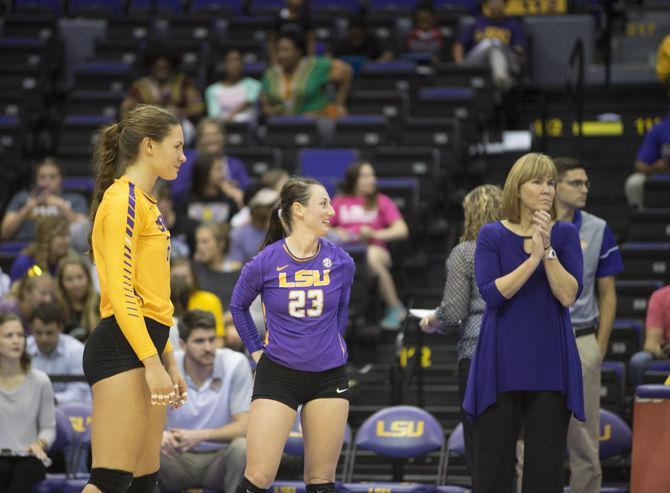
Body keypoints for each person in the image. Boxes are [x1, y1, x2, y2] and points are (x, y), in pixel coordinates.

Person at [80, 104, 188, 493]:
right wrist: (151, 361)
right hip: (121, 349)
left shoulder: (146, 203)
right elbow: (122, 292)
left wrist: (168, 357)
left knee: (144, 481)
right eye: (176, 146)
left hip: (147, 346)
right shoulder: (121, 199)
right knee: (110, 480)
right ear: (148, 146)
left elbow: (156, 297)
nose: (182, 156)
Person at [463, 153, 585, 493]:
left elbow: (568, 295)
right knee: (493, 462)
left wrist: (546, 251)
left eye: (550, 182)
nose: (546, 190)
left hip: (549, 360)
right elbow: (493, 293)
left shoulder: (564, 235)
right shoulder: (491, 236)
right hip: (500, 360)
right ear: (517, 189)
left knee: (546, 465)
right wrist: (531, 259)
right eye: (537, 182)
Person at [229, 176, 354, 493]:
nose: (331, 211)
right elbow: (238, 306)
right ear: (298, 210)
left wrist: (335, 341)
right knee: (257, 478)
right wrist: (257, 352)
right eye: (323, 203)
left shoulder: (342, 261)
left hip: (329, 375)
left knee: (322, 482)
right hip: (279, 374)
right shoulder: (264, 262)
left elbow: (341, 309)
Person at [515, 157, 624, 493]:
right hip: (534, 341)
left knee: (583, 436)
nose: (584, 189)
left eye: (586, 183)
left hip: (580, 339)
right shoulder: (519, 226)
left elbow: (607, 293)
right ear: (554, 186)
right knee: (525, 434)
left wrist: (599, 346)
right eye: (576, 183)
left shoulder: (597, 228)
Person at [419, 184, 503, 483]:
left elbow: (454, 313)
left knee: (480, 442)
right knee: (510, 441)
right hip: (514, 350)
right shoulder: (520, 247)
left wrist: (432, 321)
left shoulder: (465, 252)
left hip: (477, 352)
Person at [159, 309, 252, 493]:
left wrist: (200, 436)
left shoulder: (236, 363)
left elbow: (245, 427)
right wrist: (158, 435)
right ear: (183, 345)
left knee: (243, 447)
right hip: (175, 458)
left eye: (212, 339)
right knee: (147, 448)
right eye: (199, 341)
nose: (208, 347)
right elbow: (145, 417)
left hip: (220, 458)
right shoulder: (167, 366)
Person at [331, 161, 409, 330]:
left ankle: (395, 307)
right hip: (345, 251)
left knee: (371, 256)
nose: (372, 180)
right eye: (366, 176)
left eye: (373, 175)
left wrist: (375, 234)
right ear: (354, 179)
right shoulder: (339, 201)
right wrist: (337, 232)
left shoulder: (382, 201)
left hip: (376, 250)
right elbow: (321, 228)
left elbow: (402, 230)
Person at [0, 311, 56, 493]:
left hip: (30, 457)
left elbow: (49, 427)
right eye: (8, 336)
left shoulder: (41, 381)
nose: (16, 340)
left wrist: (39, 444)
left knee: (23, 472)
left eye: (20, 335)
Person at [121, 44, 204, 145]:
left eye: (165, 67)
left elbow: (198, 108)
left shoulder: (183, 82)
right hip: (148, 124)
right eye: (157, 68)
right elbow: (126, 109)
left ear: (171, 66)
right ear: (151, 67)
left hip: (178, 122)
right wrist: (148, 110)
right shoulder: (141, 86)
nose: (161, 71)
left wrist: (179, 111)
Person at [261, 32, 352, 118]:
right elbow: (265, 104)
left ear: (298, 51)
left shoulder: (316, 65)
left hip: (314, 124)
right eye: (278, 50)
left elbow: (347, 70)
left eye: (285, 50)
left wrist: (339, 103)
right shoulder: (270, 73)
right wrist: (272, 112)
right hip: (283, 127)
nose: (280, 55)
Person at [1, 157, 88, 243]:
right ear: (36, 180)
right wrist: (27, 208)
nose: (47, 181)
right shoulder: (22, 198)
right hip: (25, 247)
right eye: (42, 177)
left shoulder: (76, 199)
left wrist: (61, 205)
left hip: (63, 249)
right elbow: (5, 233)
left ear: (61, 179)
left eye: (52, 177)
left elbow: (84, 232)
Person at [453, 0, 526, 92]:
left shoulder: (514, 24)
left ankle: (501, 78)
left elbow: (519, 49)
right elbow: (459, 45)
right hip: (478, 61)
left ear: (505, 4)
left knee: (495, 45)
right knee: (490, 43)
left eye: (498, 2)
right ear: (488, 4)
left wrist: (519, 54)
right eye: (492, 2)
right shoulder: (478, 22)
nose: (495, 5)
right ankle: (501, 80)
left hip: (506, 60)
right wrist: (460, 65)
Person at [27, 301, 90, 405]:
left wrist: (50, 400)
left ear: (60, 329)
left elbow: (80, 393)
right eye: (38, 333)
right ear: (31, 329)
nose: (44, 339)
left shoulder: (76, 351)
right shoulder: (24, 350)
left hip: (71, 413)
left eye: (49, 333)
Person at [171, 257, 226, 342]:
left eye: (184, 277)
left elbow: (219, 339)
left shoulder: (210, 300)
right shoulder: (162, 303)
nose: (180, 282)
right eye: (175, 278)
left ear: (193, 277)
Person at [624, 115, 670, 208]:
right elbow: (639, 164)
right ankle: (639, 218)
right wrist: (654, 167)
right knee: (634, 182)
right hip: (663, 175)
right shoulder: (661, 128)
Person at [629, 284, 670, 388]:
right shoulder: (660, 297)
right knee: (638, 361)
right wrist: (662, 351)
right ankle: (642, 401)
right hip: (667, 355)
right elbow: (650, 344)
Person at [206, 48, 262, 123]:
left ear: (242, 64)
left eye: (238, 60)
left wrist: (232, 114)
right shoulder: (212, 90)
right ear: (224, 65)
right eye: (231, 61)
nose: (235, 64)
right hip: (222, 126)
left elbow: (249, 102)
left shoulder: (254, 85)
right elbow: (214, 115)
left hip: (247, 126)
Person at [10, 215, 72, 281]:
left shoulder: (70, 262)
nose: (67, 241)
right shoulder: (25, 264)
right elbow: (15, 290)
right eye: (62, 235)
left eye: (68, 235)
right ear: (46, 238)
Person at [184, 153, 242, 223]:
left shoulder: (229, 200)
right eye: (218, 169)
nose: (223, 174)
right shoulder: (186, 201)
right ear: (205, 171)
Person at [54, 254, 100, 342]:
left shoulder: (101, 303)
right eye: (69, 279)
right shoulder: (56, 308)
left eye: (80, 277)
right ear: (61, 283)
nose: (76, 284)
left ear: (88, 278)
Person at [229, 188, 280, 265]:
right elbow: (236, 265)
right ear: (256, 208)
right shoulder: (238, 234)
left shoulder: (279, 231)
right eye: (268, 206)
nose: (273, 209)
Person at [0, 270, 56, 334]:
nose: (48, 299)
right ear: (26, 292)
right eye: (43, 293)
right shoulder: (8, 308)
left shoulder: (37, 312)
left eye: (51, 294)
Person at [155, 182, 199, 258]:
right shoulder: (148, 228)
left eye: (158, 201)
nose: (155, 206)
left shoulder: (189, 226)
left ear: (169, 202)